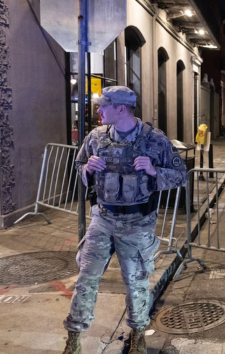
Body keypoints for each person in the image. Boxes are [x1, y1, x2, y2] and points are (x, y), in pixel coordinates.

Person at [62, 86, 187, 354]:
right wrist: (87, 168)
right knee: (86, 277)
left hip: (138, 222)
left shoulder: (154, 139)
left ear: (120, 108)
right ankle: (74, 338)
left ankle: (138, 334)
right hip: (103, 217)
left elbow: (180, 174)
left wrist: (154, 170)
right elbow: (78, 164)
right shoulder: (96, 137)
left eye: (102, 106)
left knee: (136, 280)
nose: (98, 110)